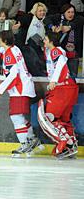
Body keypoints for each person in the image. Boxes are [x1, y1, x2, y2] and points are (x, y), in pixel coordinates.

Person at [0, 29, 42, 157]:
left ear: (5, 40)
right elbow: (4, 51)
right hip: (24, 87)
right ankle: (32, 140)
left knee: (16, 117)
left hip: (19, 89)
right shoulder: (15, 49)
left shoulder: (10, 53)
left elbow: (13, 74)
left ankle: (25, 145)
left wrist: (0, 88)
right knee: (19, 117)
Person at [38, 31, 79, 159]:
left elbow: (60, 62)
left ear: (51, 41)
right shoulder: (53, 51)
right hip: (69, 88)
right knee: (63, 120)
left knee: (50, 118)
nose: (44, 41)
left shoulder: (56, 51)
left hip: (62, 88)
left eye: (45, 39)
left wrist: (53, 81)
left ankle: (63, 143)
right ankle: (71, 145)